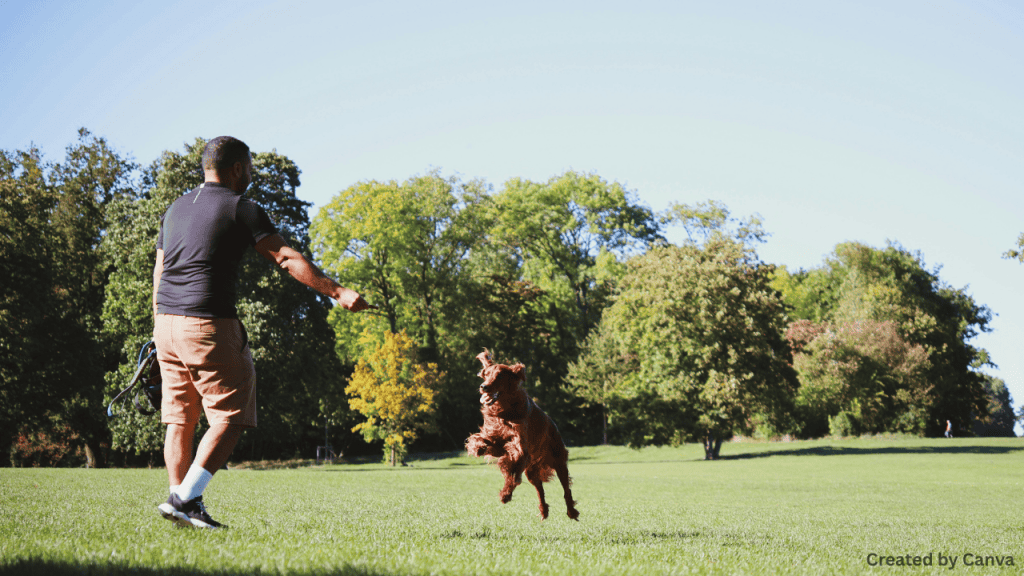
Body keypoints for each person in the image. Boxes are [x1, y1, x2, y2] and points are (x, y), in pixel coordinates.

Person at [153, 136, 373, 529]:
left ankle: (185, 506)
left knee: (179, 419)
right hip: (208, 322)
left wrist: (160, 324)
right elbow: (286, 258)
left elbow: (161, 269)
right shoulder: (241, 207)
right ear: (237, 168)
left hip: (166, 324)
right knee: (232, 414)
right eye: (250, 168)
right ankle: (183, 498)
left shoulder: (175, 208)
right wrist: (338, 292)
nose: (251, 175)